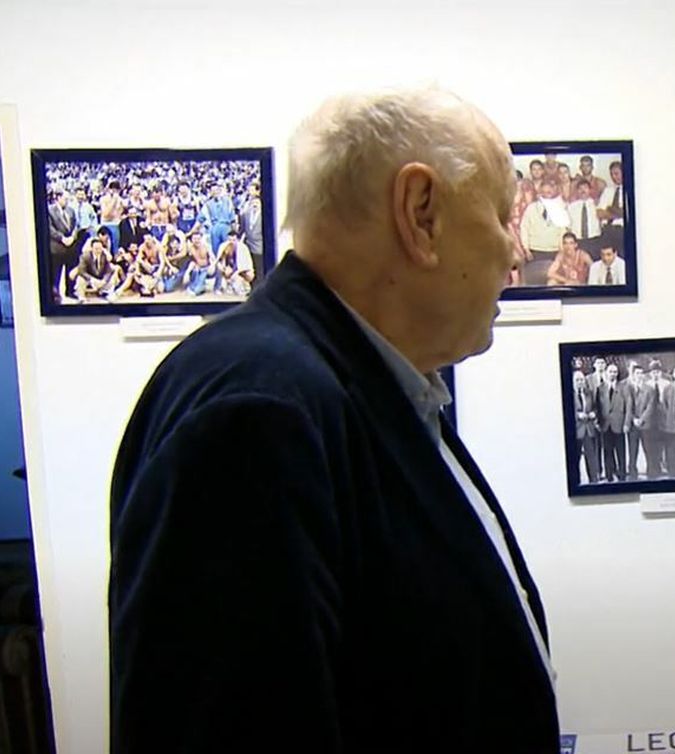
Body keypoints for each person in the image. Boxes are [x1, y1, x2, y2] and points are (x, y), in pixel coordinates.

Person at [109, 86, 558, 752]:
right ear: (420, 214)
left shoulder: (354, 386)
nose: (515, 254)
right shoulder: (260, 412)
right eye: (499, 215)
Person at [518, 176, 569, 285]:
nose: (546, 195)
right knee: (534, 282)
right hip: (535, 251)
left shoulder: (560, 208)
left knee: (552, 281)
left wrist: (561, 250)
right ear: (540, 193)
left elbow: (563, 230)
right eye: (544, 193)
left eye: (549, 192)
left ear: (553, 193)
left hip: (554, 251)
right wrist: (526, 249)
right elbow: (524, 228)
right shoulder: (531, 208)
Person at [596, 362, 628, 482]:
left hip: (619, 424)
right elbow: (598, 406)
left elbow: (628, 406)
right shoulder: (601, 388)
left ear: (617, 373)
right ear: (606, 373)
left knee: (621, 451)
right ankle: (609, 475)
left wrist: (626, 423)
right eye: (610, 371)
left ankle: (622, 475)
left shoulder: (623, 387)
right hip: (605, 425)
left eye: (615, 372)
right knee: (607, 452)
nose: (613, 374)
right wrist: (598, 422)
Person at [572, 370, 601, 484]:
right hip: (576, 431)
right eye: (577, 380)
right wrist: (578, 415)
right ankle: (576, 482)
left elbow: (595, 407)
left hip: (589, 430)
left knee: (591, 458)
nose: (580, 382)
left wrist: (594, 413)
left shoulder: (589, 393)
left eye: (582, 380)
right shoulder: (569, 394)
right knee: (575, 458)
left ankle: (593, 481)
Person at [596, 160, 627, 254]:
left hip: (621, 231)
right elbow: (600, 213)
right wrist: (617, 212)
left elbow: (625, 213)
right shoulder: (607, 191)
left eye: (616, 174)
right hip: (607, 230)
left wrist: (610, 209)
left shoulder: (630, 190)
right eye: (611, 174)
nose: (614, 177)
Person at [567, 180, 603, 256]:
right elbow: (569, 225)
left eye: (585, 188)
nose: (583, 191)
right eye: (580, 188)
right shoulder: (571, 207)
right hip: (578, 240)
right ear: (577, 191)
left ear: (590, 190)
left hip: (594, 239)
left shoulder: (597, 205)